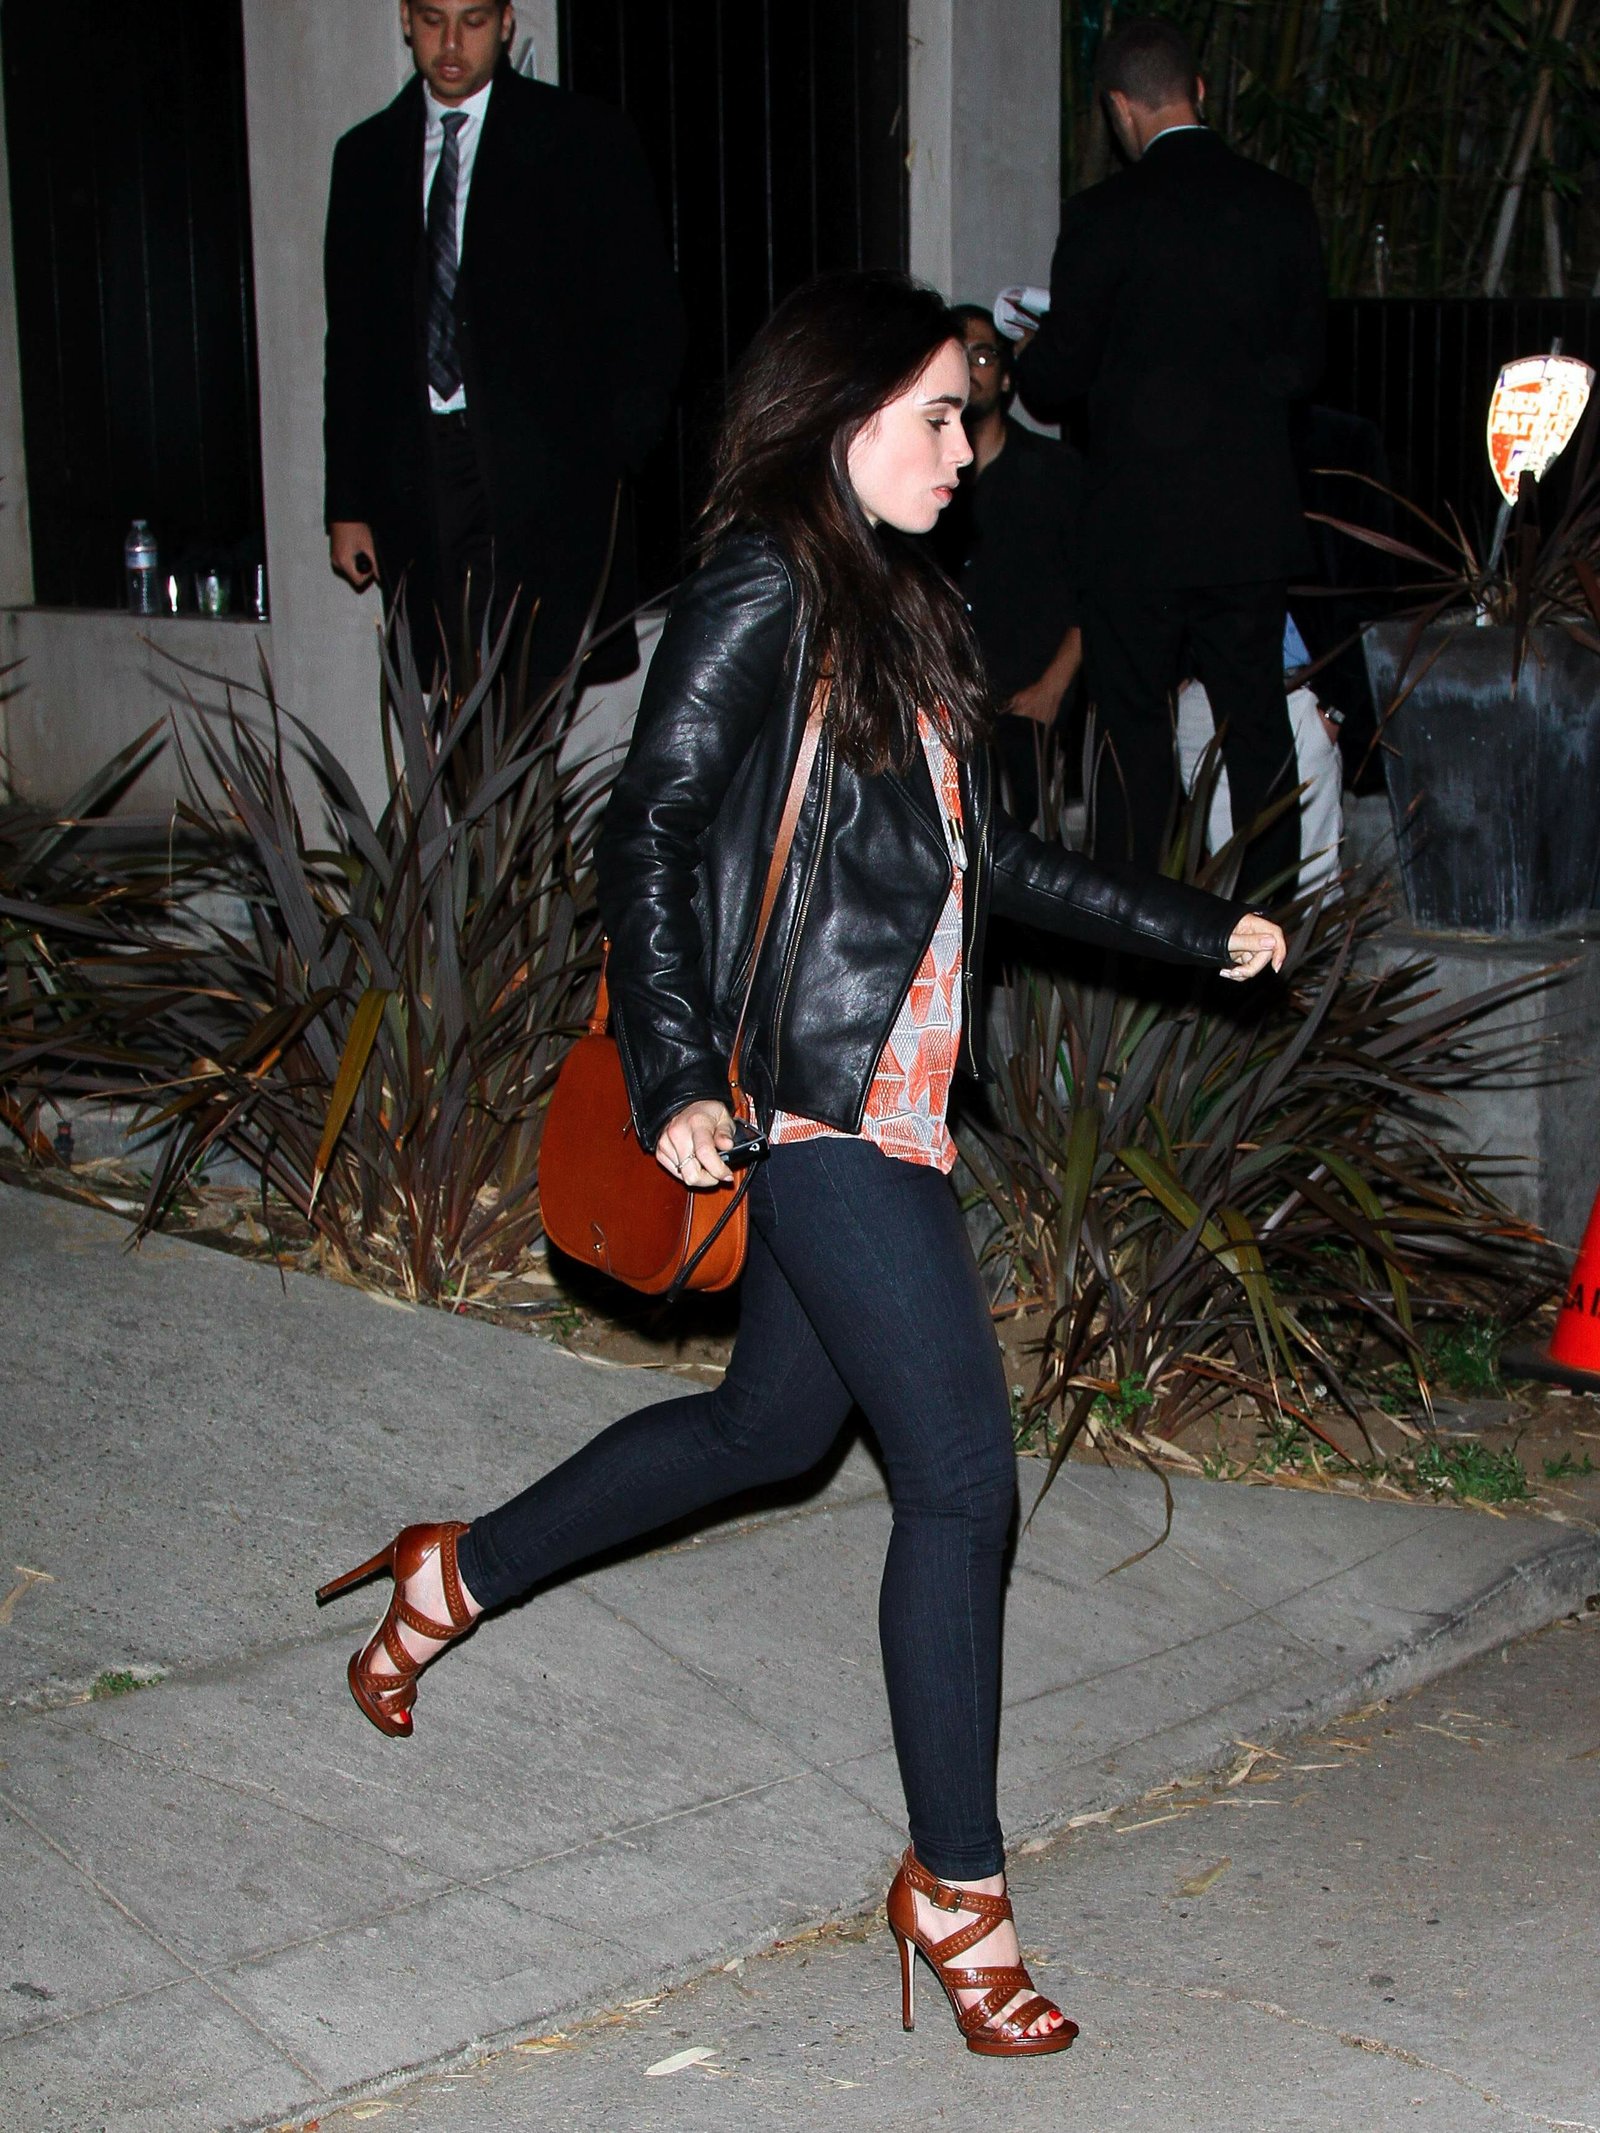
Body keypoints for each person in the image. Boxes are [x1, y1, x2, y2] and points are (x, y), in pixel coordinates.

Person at [316, 272, 1286, 2060]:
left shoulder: (905, 597)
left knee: (763, 1433)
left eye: (969, 416)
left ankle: (451, 1571)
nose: (966, 448)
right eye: (937, 415)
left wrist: (1189, 922)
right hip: (814, 1104)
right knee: (962, 1485)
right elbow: (654, 818)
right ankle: (957, 1889)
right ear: (841, 415)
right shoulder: (766, 578)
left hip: (893, 1099)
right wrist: (679, 1068)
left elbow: (986, 859)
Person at [1014, 15, 1325, 902]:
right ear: (1199, 90)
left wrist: (1037, 351)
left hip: (1137, 534)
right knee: (1258, 735)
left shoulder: (1103, 217)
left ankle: (1134, 938)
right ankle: (1269, 935)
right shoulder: (1281, 205)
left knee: (1132, 745)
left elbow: (1055, 381)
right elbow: (1305, 366)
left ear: (1119, 107)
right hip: (1246, 527)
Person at [323, 0, 684, 687]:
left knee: (532, 685)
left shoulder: (581, 140)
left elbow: (647, 318)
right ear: (405, 20)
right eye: (433, 20)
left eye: (474, 21)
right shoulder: (366, 157)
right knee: (444, 687)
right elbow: (351, 346)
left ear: (508, 22)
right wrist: (347, 503)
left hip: (543, 472)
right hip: (419, 471)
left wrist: (605, 455)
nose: (451, 43)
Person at [932, 306, 1085, 829]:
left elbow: (1095, 590)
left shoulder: (1058, 473)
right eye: (957, 356)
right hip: (944, 716)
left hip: (1027, 716)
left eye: (983, 355)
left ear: (1005, 375)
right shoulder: (916, 480)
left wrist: (1052, 688)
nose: (970, 369)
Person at [1176, 613, 1344, 896]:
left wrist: (1332, 712)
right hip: (1202, 695)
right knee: (1224, 876)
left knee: (1310, 885)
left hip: (1289, 694)